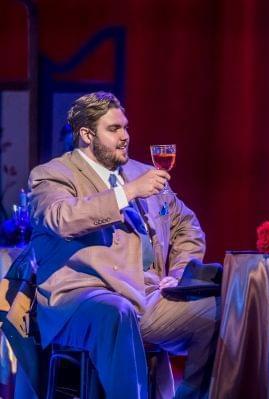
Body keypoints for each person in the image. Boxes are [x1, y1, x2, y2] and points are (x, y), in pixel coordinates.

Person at [28, 92, 219, 399]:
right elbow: (60, 217)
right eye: (114, 129)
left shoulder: (143, 173)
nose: (125, 136)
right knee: (116, 311)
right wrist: (126, 193)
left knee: (220, 313)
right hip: (83, 297)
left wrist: (181, 274)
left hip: (146, 296)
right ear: (87, 135)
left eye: (126, 128)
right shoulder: (53, 175)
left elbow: (186, 226)